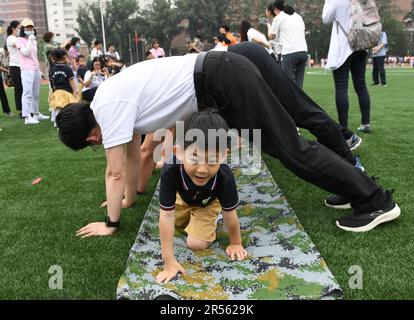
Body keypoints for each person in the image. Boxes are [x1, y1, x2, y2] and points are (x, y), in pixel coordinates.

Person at [57, 48, 400, 239]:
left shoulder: (108, 108)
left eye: (92, 146)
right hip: (221, 73)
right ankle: (358, 188)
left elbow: (115, 172)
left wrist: (112, 224)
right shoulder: (110, 98)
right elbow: (137, 156)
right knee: (293, 133)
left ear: (90, 136)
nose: (99, 147)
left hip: (223, 79)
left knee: (290, 149)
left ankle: (374, 200)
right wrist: (130, 200)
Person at [155, 111, 247, 284]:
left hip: (208, 204)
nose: (203, 170)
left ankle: (212, 216)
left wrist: (235, 242)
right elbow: (166, 214)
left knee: (196, 244)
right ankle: (190, 214)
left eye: (212, 160)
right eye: (195, 159)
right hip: (183, 199)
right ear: (179, 152)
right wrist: (168, 261)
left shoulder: (224, 177)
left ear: (223, 155)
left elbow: (230, 213)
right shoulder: (170, 169)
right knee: (172, 222)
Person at [323, 0, 372, 133]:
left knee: (341, 87)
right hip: (361, 45)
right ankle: (366, 123)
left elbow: (326, 19)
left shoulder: (336, 1)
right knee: (361, 86)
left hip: (343, 47)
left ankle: (343, 126)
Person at [267, 1, 308, 89]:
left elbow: (271, 37)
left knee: (287, 84)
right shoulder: (298, 16)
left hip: (290, 52)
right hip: (303, 51)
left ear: (275, 9)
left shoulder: (279, 17)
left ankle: (290, 102)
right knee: (299, 85)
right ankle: (299, 102)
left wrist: (269, 26)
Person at [16, 18, 49, 125]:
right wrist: (30, 41)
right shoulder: (20, 40)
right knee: (27, 93)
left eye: (31, 27)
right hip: (26, 69)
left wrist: (39, 69)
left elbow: (34, 56)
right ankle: (27, 117)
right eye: (27, 27)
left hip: (34, 69)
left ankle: (35, 113)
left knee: (35, 93)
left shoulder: (33, 40)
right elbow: (25, 53)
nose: (29, 29)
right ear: (23, 29)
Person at [49, 48, 78, 126]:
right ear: (65, 57)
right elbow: (71, 81)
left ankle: (56, 123)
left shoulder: (52, 69)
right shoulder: (68, 69)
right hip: (66, 92)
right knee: (67, 107)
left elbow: (52, 82)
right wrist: (75, 90)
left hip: (57, 92)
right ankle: (65, 122)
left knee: (57, 108)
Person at [6, 20, 23, 117]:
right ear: (13, 28)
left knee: (23, 88)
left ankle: (24, 108)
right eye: (19, 28)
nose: (20, 30)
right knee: (19, 88)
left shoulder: (16, 38)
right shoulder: (11, 38)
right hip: (15, 66)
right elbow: (19, 45)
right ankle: (20, 110)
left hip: (20, 66)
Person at [0, 47, 13, 116]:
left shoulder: (3, 55)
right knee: (2, 94)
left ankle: (7, 111)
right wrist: (7, 71)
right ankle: (7, 111)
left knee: (2, 94)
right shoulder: (1, 52)